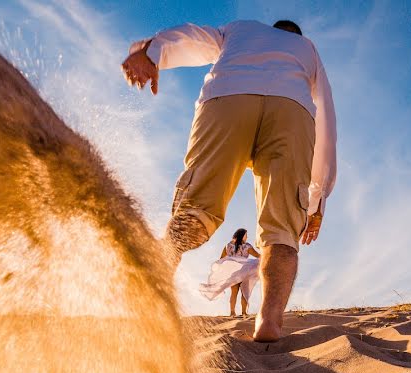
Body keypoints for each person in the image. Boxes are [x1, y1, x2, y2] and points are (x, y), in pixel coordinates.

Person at [122, 18, 337, 342]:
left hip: (228, 95)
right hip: (290, 109)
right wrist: (317, 199)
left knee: (195, 210)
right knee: (282, 230)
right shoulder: (307, 48)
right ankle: (268, 322)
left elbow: (194, 37)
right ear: (296, 34)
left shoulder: (242, 28)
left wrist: (152, 52)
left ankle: (153, 284)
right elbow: (326, 118)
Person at [199, 228, 261, 317]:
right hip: (245, 271)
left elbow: (221, 259)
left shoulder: (228, 246)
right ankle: (244, 313)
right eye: (246, 235)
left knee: (234, 293)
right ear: (242, 235)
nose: (247, 237)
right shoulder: (247, 246)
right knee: (244, 292)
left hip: (234, 273)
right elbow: (257, 255)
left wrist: (226, 267)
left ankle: (232, 312)